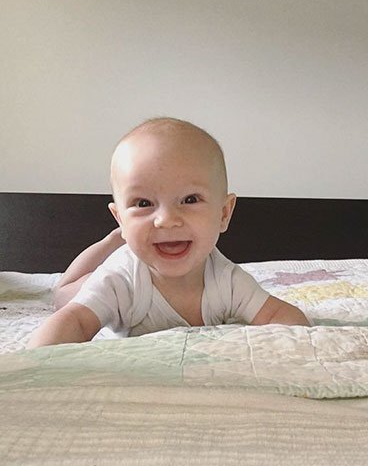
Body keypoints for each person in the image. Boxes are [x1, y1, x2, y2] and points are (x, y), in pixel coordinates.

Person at [29, 118, 309, 348]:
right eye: (143, 203)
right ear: (121, 218)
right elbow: (76, 321)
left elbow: (282, 316)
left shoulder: (228, 280)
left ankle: (119, 235)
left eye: (189, 199)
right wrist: (30, 364)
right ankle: (112, 239)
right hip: (85, 284)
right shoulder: (118, 279)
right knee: (63, 294)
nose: (166, 220)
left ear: (224, 214)